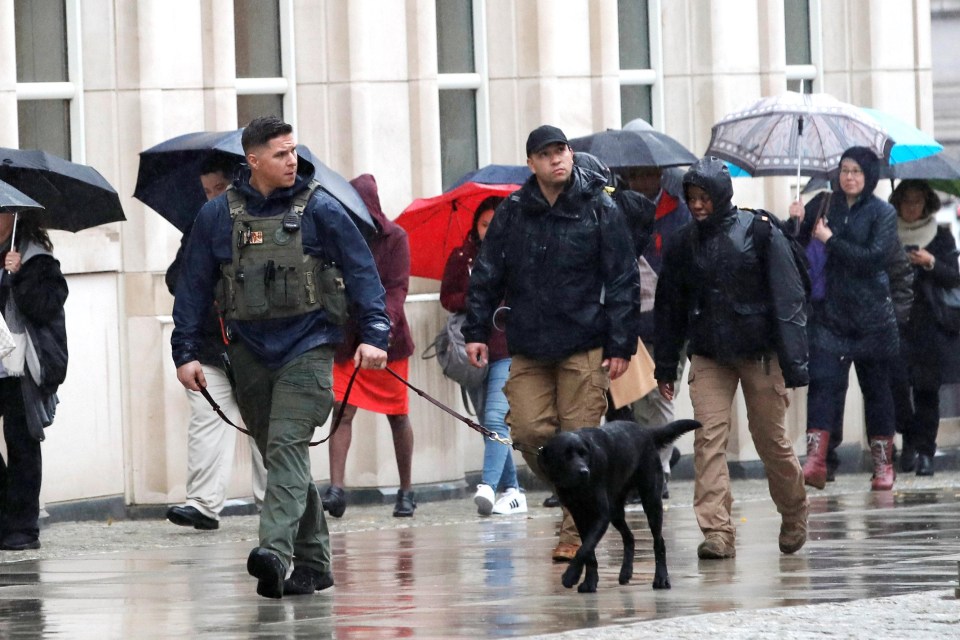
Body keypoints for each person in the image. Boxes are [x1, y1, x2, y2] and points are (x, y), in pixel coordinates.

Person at [171, 116, 390, 599]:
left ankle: (274, 551)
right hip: (247, 349)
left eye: (294, 151)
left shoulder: (321, 210)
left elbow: (362, 272)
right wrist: (184, 352)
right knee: (281, 454)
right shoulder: (217, 216)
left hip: (309, 346)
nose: (292, 160)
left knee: (286, 446)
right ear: (252, 161)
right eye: (280, 154)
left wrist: (376, 333)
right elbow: (190, 288)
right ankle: (314, 565)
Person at [463, 124, 640, 562]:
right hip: (530, 345)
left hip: (584, 343)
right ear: (532, 163)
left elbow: (622, 278)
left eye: (562, 150)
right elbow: (487, 274)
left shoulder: (599, 207)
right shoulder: (513, 211)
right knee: (527, 432)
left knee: (577, 437)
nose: (557, 159)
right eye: (546, 154)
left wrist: (621, 344)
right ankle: (582, 497)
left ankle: (574, 532)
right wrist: (476, 331)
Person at [654, 156, 809, 560]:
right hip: (708, 354)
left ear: (722, 196)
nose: (698, 204)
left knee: (770, 440)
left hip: (759, 352)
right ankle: (717, 530)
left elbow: (788, 297)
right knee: (708, 439)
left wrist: (794, 362)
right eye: (691, 197)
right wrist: (665, 365)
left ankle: (794, 511)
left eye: (705, 196)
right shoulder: (683, 243)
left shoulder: (759, 231)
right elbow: (669, 307)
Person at [165, 155, 267, 531]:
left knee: (266, 426)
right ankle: (203, 504)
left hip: (256, 345)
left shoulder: (263, 220)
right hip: (211, 343)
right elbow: (178, 280)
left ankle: (275, 503)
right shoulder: (201, 224)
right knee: (207, 421)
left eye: (218, 188)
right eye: (206, 190)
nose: (211, 196)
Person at [789, 147, 901, 492]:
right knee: (823, 386)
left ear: (869, 177)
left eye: (856, 171)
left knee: (878, 392)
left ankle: (883, 465)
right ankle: (816, 461)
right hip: (830, 317)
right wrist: (793, 220)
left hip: (872, 320)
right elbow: (792, 246)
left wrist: (831, 240)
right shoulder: (824, 204)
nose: (849, 177)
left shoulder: (883, 213)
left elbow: (873, 258)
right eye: (844, 170)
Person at [321, 173, 418, 519]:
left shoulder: (395, 238)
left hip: (388, 343)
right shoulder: (337, 237)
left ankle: (406, 491)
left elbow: (397, 289)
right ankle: (336, 490)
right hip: (348, 343)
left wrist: (377, 331)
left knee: (398, 414)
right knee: (342, 410)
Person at [440, 195, 526, 516]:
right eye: (485, 223)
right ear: (476, 225)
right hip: (473, 348)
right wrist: (476, 296)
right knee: (487, 423)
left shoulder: (518, 255)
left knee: (495, 419)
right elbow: (447, 296)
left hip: (508, 347)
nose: (490, 230)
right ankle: (513, 490)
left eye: (496, 223)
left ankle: (488, 486)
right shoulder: (463, 257)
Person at [619, 165, 692, 497]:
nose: (641, 180)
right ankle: (647, 466)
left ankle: (659, 470)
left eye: (648, 174)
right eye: (636, 175)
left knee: (661, 393)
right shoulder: (620, 208)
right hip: (632, 320)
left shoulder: (678, 213)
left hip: (668, 318)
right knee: (637, 399)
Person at [0, 213, 68, 551]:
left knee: (22, 441)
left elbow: (45, 307)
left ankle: (23, 528)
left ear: (14, 217)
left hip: (19, 366)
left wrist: (17, 275)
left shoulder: (36, 258)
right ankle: (4, 515)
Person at [888, 180, 960, 477]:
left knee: (927, 390)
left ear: (927, 203)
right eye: (906, 200)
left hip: (930, 321)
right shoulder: (888, 232)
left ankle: (926, 452)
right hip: (895, 319)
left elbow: (953, 276)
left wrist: (929, 262)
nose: (912, 207)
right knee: (897, 386)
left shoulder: (941, 236)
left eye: (917, 201)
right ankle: (908, 438)